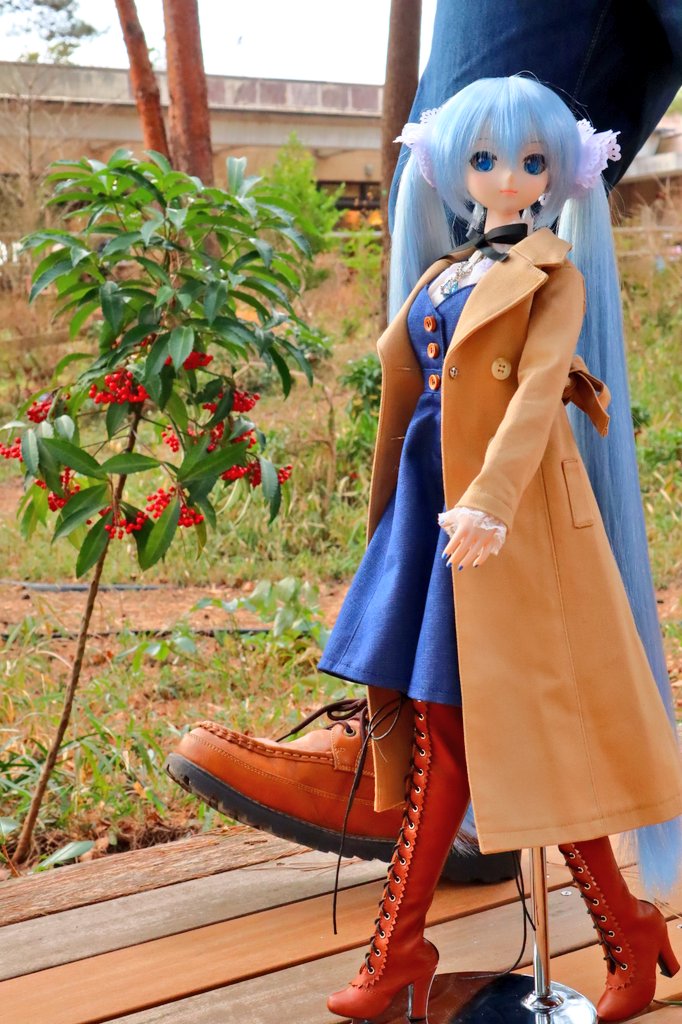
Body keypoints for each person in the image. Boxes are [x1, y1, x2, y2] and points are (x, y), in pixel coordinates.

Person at [318, 74, 682, 1022]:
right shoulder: (446, 271)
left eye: (529, 161)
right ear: (456, 167)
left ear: (558, 172)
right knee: (458, 730)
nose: (508, 177)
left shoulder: (554, 276)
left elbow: (535, 397)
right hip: (431, 516)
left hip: (502, 524)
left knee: (462, 732)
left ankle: (402, 947)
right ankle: (624, 926)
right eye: (486, 159)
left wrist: (488, 501)